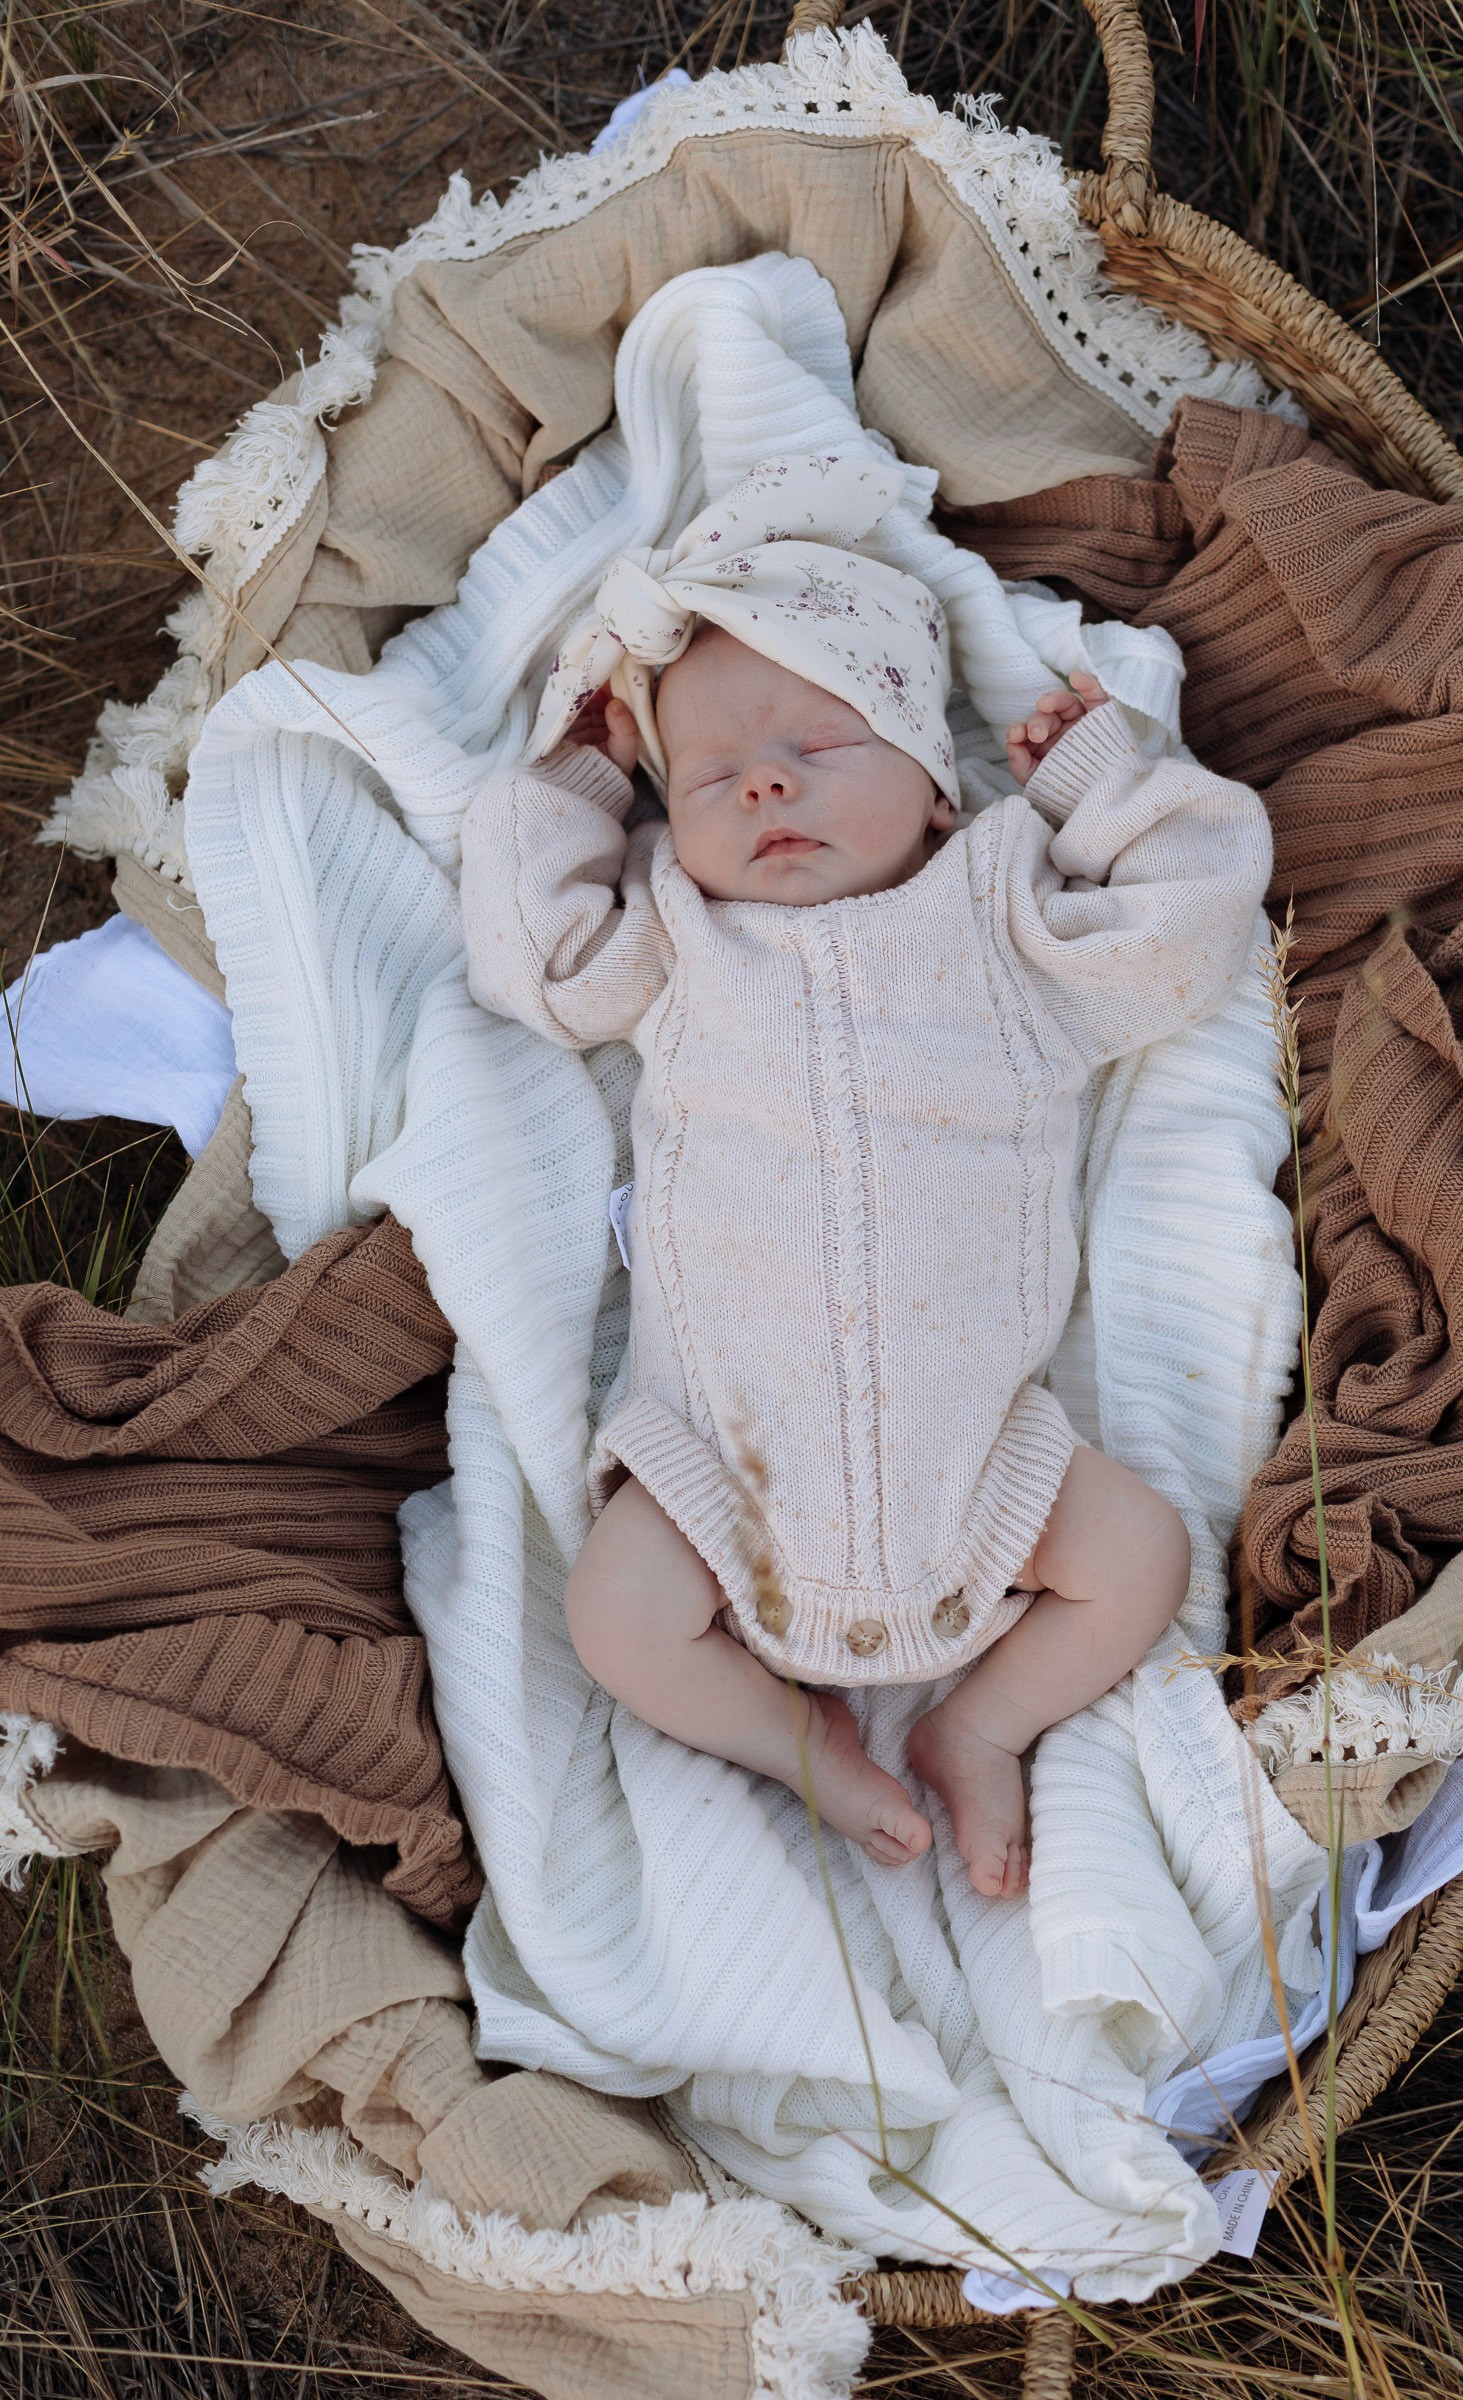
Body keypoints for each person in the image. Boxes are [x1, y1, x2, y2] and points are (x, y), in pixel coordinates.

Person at [459, 452, 1270, 1898]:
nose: (765, 781)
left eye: (822, 746)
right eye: (710, 774)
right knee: (612, 1617)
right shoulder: (674, 940)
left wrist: (1100, 785)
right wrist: (582, 780)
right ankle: (792, 1742)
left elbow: (1191, 926)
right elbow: (533, 962)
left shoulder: (1007, 910)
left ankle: (983, 1723)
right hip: (720, 1468)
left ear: (936, 782)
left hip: (982, 1468)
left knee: (1136, 1558)